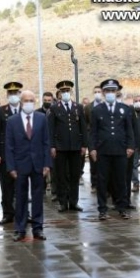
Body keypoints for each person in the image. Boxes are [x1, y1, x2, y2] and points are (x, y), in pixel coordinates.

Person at [5, 90, 51, 242]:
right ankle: (20, 229)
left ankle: (38, 228)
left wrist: (47, 164)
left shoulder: (41, 118)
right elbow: (9, 146)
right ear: (21, 102)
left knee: (38, 197)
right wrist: (11, 167)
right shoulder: (12, 121)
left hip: (38, 164)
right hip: (20, 165)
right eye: (26, 100)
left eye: (31, 100)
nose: (29, 103)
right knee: (20, 198)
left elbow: (46, 142)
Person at [89, 79, 134, 220]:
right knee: (102, 181)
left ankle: (122, 207)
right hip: (103, 151)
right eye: (107, 91)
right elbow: (93, 132)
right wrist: (92, 149)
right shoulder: (97, 110)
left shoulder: (124, 109)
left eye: (112, 91)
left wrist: (130, 146)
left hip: (120, 150)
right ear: (103, 93)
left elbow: (129, 130)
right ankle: (102, 209)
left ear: (116, 92)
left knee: (121, 180)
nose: (110, 93)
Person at [47, 80, 87, 212]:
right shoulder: (54, 108)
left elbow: (83, 127)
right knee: (61, 175)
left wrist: (84, 145)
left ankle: (74, 201)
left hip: (75, 146)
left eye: (67, 91)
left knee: (75, 175)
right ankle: (63, 202)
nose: (65, 93)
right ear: (59, 93)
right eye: (63, 91)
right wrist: (52, 146)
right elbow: (51, 129)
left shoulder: (78, 107)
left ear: (71, 92)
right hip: (60, 147)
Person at [0, 81, 23, 225]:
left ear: (19, 94)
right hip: (6, 155)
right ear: (7, 95)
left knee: (23, 185)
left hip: (23, 154)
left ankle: (24, 213)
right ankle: (8, 213)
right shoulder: (1, 111)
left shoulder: (25, 109)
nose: (13, 95)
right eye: (10, 93)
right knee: (6, 187)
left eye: (15, 93)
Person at [84, 85, 104, 193]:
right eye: (95, 92)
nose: (97, 94)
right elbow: (86, 123)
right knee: (94, 163)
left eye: (99, 91)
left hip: (104, 139)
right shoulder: (88, 107)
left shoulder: (105, 106)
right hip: (93, 138)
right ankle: (94, 184)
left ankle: (104, 185)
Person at [126, 94, 140, 209]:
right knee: (134, 165)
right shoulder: (130, 111)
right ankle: (136, 183)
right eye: (136, 100)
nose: (138, 102)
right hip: (134, 144)